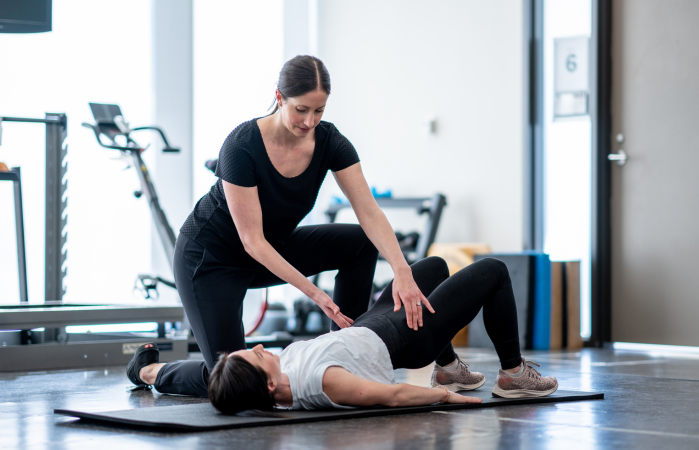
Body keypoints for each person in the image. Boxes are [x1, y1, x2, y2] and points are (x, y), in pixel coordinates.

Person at [125, 55, 484, 397]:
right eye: (301, 110)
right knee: (234, 376)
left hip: (272, 248)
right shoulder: (241, 145)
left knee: (360, 242)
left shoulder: (329, 141)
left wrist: (402, 269)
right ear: (279, 98)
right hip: (211, 260)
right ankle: (149, 371)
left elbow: (369, 212)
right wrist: (316, 294)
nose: (309, 121)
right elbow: (252, 242)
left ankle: (342, 353)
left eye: (319, 111)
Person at [134, 257, 559, 412]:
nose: (260, 346)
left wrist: (152, 374)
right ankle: (513, 375)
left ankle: (448, 368)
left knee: (429, 269)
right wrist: (446, 400)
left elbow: (222, 385)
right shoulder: (321, 381)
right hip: (407, 339)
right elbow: (391, 396)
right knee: (493, 272)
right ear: (268, 382)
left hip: (371, 323)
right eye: (256, 355)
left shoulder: (265, 384)